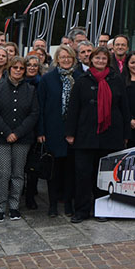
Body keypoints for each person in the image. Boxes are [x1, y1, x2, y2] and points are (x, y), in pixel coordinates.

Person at [65, 47, 131, 223]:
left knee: (104, 175)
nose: (100, 61)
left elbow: (124, 108)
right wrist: (70, 133)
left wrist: (125, 133)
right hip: (85, 135)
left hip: (110, 135)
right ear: (91, 60)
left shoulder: (116, 80)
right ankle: (82, 211)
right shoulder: (81, 81)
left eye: (103, 58)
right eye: (97, 58)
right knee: (83, 175)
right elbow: (73, 109)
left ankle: (102, 209)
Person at [0, 57, 40, 223]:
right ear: (9, 69)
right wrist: (6, 132)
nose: (18, 70)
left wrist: (17, 133)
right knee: (3, 172)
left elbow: (34, 114)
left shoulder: (30, 90)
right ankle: (0, 207)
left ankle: (14, 206)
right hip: (0, 138)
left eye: (21, 68)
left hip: (22, 138)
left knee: (18, 173)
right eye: (15, 67)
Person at [38, 45, 79, 217]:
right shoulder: (48, 79)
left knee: (70, 170)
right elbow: (40, 107)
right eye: (63, 57)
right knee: (53, 170)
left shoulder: (80, 77)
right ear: (57, 59)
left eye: (69, 57)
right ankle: (53, 204)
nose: (66, 60)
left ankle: (68, 203)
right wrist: (40, 131)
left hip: (74, 131)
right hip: (53, 129)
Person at [23, 55, 45, 209]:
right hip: (20, 128)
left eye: (34, 65)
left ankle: (31, 195)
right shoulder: (18, 82)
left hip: (36, 128)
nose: (31, 67)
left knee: (33, 165)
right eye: (28, 65)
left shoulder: (42, 83)